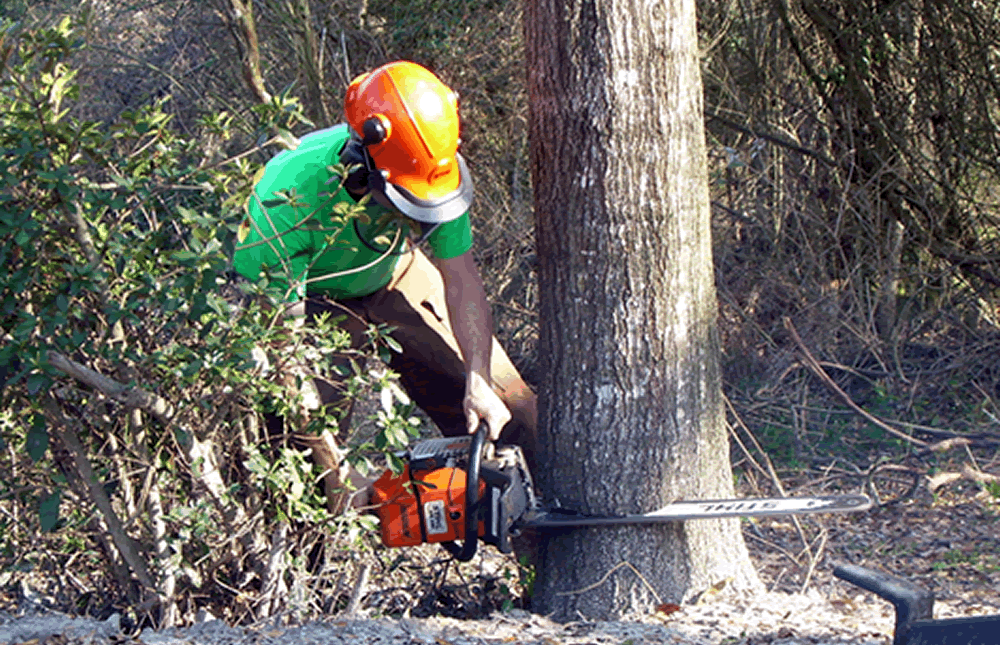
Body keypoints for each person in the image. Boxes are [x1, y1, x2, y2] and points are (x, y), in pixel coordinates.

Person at [233, 60, 537, 512]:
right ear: (361, 163)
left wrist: (478, 377)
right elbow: (285, 360)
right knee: (299, 473)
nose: (417, 216)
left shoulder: (433, 163)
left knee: (515, 412)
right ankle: (302, 571)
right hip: (313, 303)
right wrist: (334, 468)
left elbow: (462, 277)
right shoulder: (285, 199)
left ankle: (536, 548)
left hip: (394, 271)